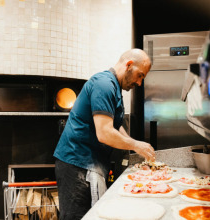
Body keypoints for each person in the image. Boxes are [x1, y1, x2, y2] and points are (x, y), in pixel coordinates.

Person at [53, 48, 155, 220]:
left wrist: (135, 147)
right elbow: (105, 133)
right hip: (78, 163)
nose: (139, 83)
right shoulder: (104, 84)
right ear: (129, 65)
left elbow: (114, 126)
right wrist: (137, 145)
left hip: (86, 163)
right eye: (140, 75)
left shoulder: (114, 87)